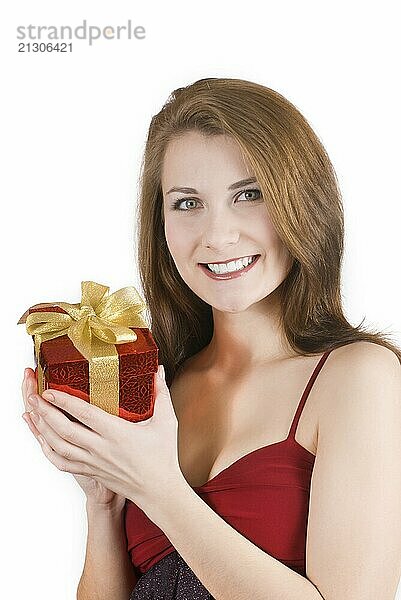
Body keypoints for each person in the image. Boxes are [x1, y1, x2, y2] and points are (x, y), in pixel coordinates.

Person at [21, 78, 401, 599]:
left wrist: (155, 487)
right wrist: (104, 500)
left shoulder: (361, 377)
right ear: (162, 224)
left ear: (303, 202)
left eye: (249, 195)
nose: (218, 236)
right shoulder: (159, 388)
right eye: (186, 203)